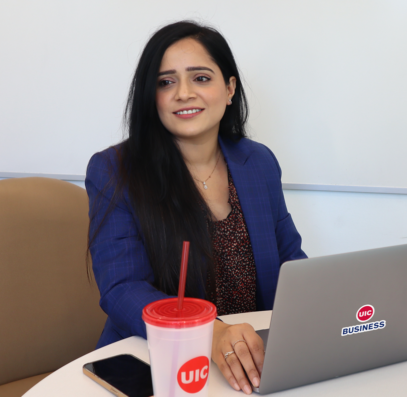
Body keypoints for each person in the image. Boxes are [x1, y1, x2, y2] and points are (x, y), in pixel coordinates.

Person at [86, 21, 306, 394]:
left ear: (230, 89)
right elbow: (122, 288)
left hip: (251, 366)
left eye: (201, 78)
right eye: (165, 82)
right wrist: (212, 333)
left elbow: (290, 260)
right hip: (158, 367)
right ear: (150, 96)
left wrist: (321, 314)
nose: (183, 93)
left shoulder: (258, 163)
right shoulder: (114, 170)